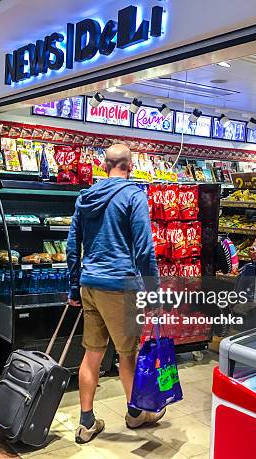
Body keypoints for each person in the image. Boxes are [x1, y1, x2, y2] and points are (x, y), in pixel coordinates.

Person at [66, 143, 161, 444]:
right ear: (130, 166)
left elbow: (72, 246)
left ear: (104, 165)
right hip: (120, 286)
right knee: (127, 354)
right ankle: (135, 414)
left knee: (92, 354)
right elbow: (144, 249)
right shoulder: (134, 196)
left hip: (90, 284)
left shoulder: (85, 196)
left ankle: (86, 422)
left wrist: (73, 286)